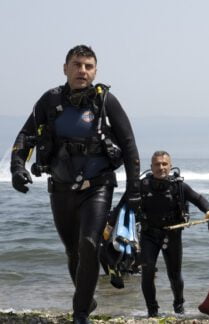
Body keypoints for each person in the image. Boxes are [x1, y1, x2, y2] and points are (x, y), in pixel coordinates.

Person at [10, 45, 141, 324]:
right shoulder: (49, 101)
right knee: (72, 251)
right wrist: (17, 167)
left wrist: (134, 191)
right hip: (60, 187)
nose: (83, 70)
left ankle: (80, 314)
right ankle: (87, 299)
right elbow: (25, 135)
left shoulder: (106, 102)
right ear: (65, 68)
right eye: (77, 64)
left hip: (97, 186)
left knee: (89, 244)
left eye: (88, 66)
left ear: (95, 71)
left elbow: (129, 147)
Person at [133, 151, 209, 317]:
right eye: (157, 164)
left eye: (164, 164)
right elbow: (125, 203)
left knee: (174, 274)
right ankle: (152, 311)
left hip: (173, 235)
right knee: (147, 271)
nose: (161, 167)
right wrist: (109, 224)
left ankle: (178, 306)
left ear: (170, 166)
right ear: (151, 167)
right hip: (148, 234)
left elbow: (198, 199)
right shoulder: (142, 185)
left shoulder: (179, 186)